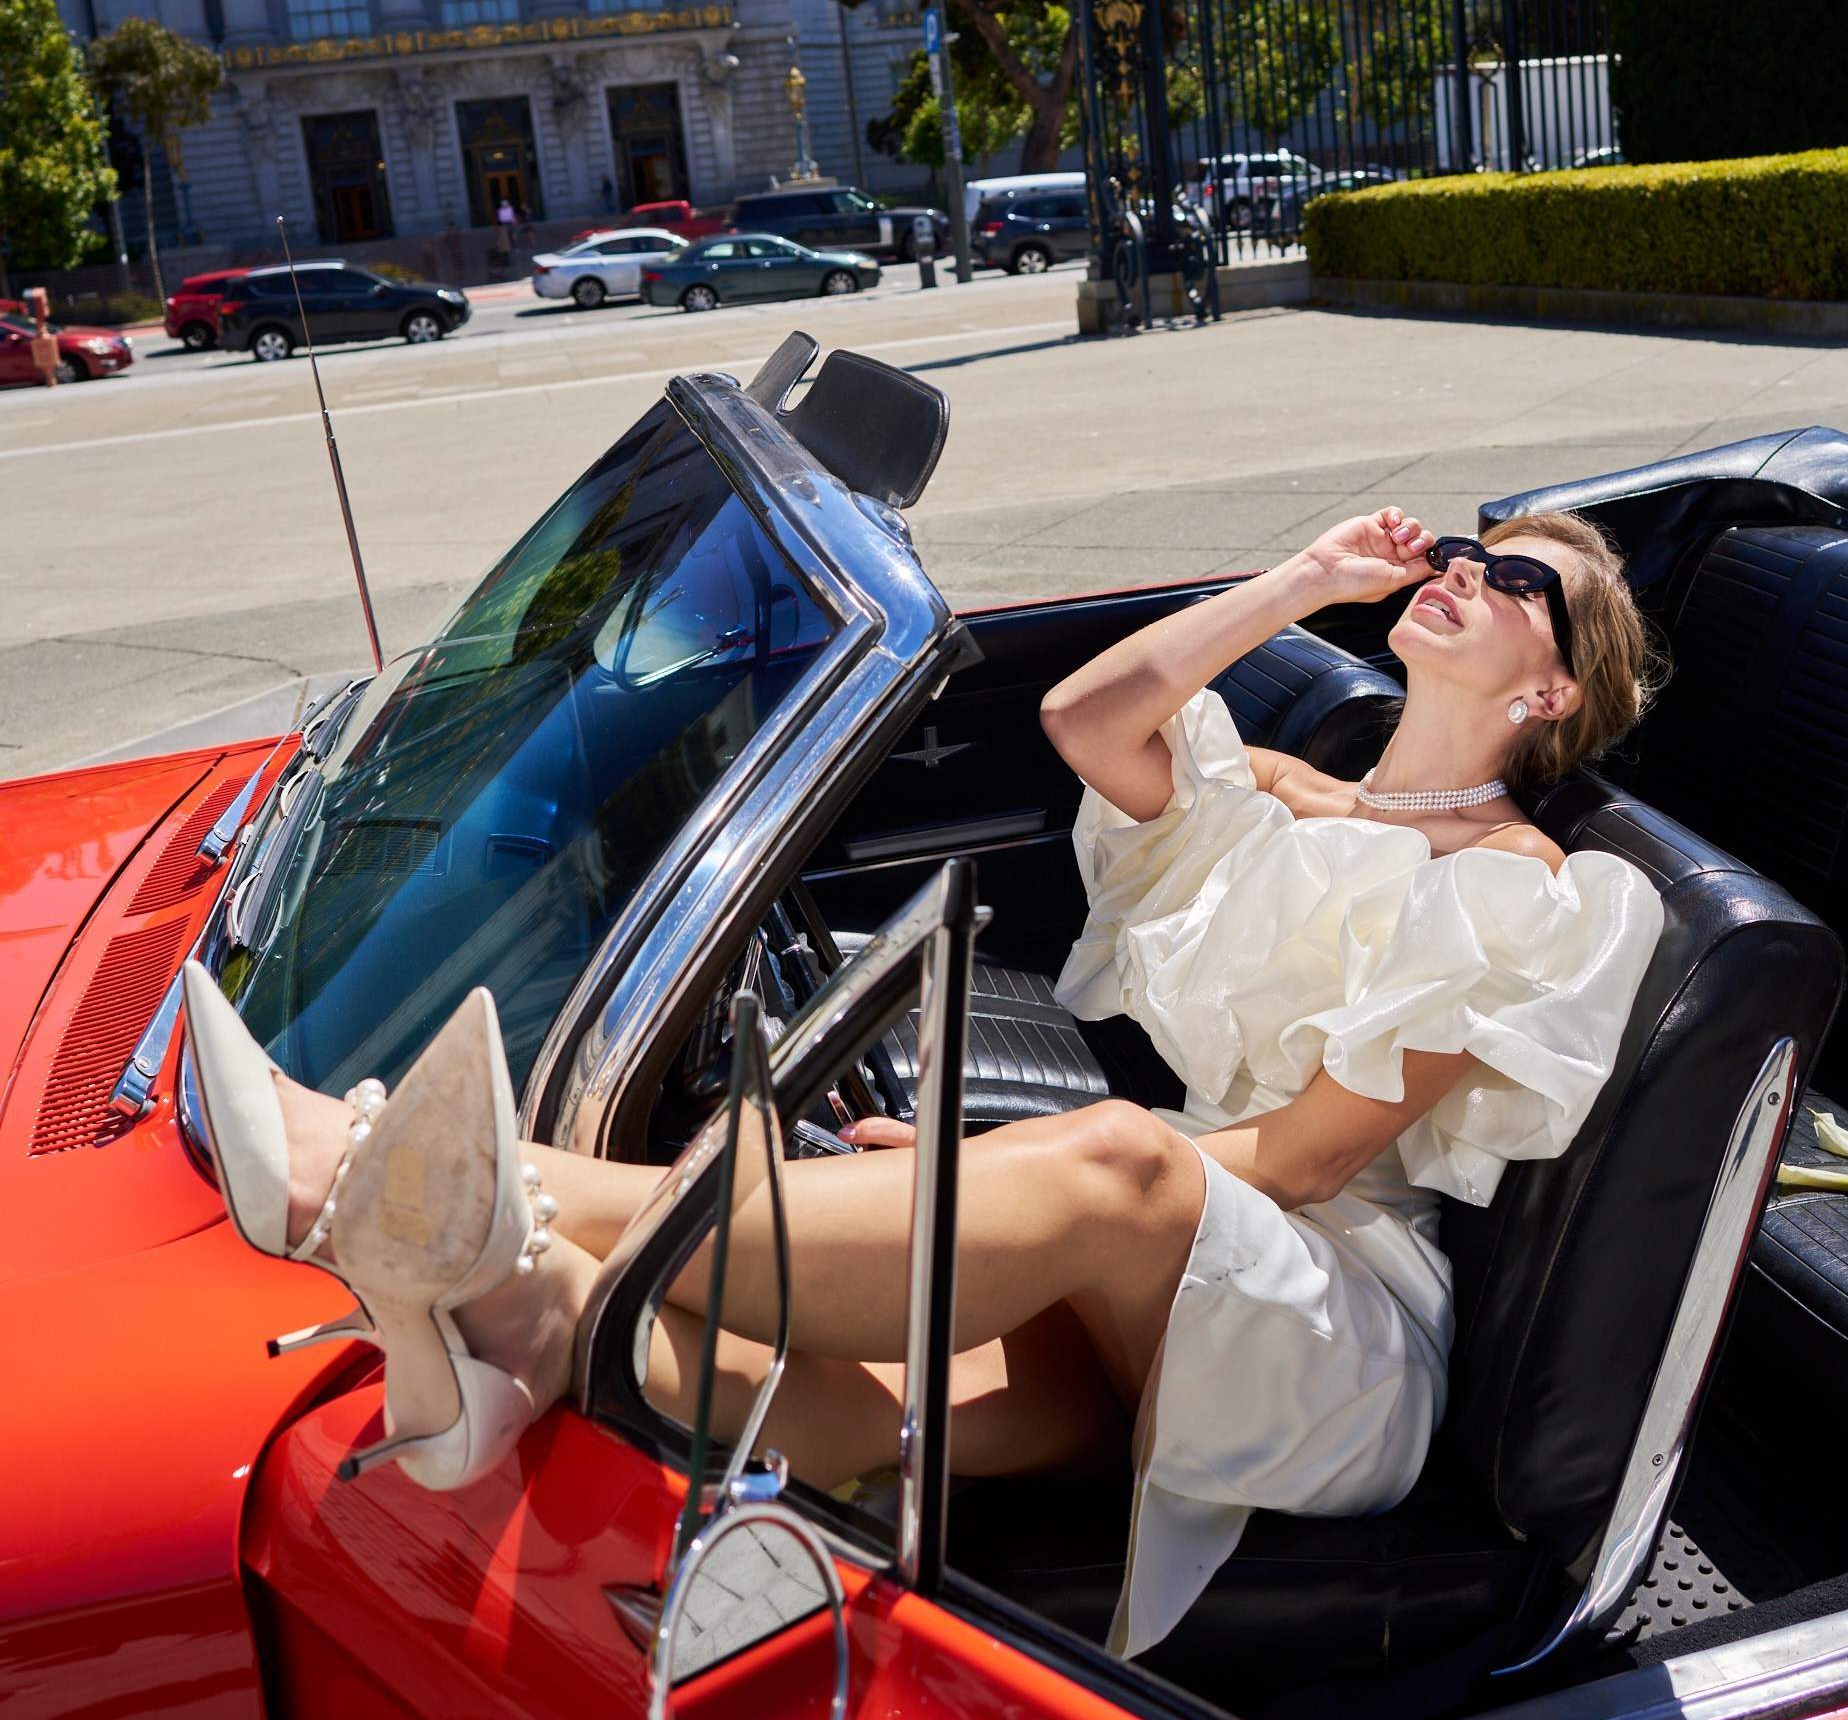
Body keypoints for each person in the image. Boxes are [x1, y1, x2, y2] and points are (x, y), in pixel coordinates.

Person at [183, 505, 1664, 1656]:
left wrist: (1005, 1177)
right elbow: (1087, 722)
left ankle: (403, 1175)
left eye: (1519, 585)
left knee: (1109, 1165)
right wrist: (1298, 580)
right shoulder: (1284, 793)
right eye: (1466, 551)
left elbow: (1306, 1169)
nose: (1468, 570)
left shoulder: (1537, 892)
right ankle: (533, 1326)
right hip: (1182, 1272)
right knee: (902, 1398)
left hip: (1337, 1328)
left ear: (1554, 692)